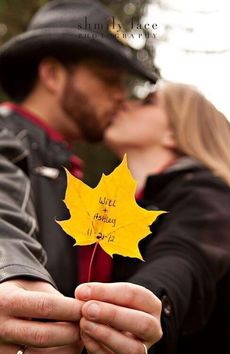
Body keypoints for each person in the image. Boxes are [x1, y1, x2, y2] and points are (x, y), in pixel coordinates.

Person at [0, 1, 163, 354]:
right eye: (108, 80)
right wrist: (10, 271)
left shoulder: (66, 169)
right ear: (53, 75)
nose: (121, 95)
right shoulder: (5, 137)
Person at [104, 81, 230, 354]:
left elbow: (184, 255)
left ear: (175, 134)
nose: (125, 103)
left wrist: (144, 301)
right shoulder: (128, 205)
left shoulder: (208, 194)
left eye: (149, 101)